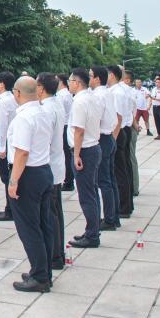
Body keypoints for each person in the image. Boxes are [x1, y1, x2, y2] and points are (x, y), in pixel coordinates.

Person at [6, 76, 56, 293]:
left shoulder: (24, 118)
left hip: (28, 174)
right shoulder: (44, 112)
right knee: (44, 225)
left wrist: (13, 181)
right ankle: (44, 271)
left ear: (17, 93)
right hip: (43, 170)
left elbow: (22, 152)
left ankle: (40, 277)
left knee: (29, 228)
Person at [67, 68, 105, 248]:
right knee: (92, 191)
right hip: (93, 147)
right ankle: (93, 230)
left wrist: (76, 155)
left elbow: (79, 131)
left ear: (77, 82)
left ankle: (92, 236)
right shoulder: (92, 97)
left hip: (85, 151)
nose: (69, 84)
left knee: (87, 195)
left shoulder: (80, 101)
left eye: (70, 81)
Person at [36, 74, 66, 269]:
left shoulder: (46, 109)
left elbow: (43, 140)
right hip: (56, 163)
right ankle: (57, 252)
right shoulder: (56, 104)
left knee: (50, 214)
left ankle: (55, 256)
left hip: (50, 164)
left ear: (41, 88)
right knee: (55, 211)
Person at [91, 66, 121, 231]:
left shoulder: (98, 95)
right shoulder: (108, 93)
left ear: (97, 79)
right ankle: (114, 216)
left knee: (104, 181)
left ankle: (109, 219)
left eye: (90, 75)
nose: (89, 78)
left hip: (102, 137)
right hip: (108, 136)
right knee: (110, 179)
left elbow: (96, 119)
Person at [107, 66, 134, 219]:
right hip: (122, 130)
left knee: (119, 172)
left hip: (118, 132)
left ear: (111, 75)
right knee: (123, 169)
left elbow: (118, 118)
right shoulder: (119, 90)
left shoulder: (117, 92)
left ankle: (124, 207)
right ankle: (126, 204)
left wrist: (113, 139)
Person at [0, 71, 18, 222]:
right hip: (11, 140)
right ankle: (11, 207)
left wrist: (2, 148)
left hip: (5, 141)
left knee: (6, 176)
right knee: (9, 175)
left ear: (2, 84)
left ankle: (11, 209)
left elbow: (2, 126)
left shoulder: (4, 101)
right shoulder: (13, 98)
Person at [122, 71, 141, 198]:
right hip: (130, 125)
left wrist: (135, 124)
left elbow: (129, 112)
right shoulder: (125, 92)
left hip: (129, 126)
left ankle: (134, 187)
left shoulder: (128, 92)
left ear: (128, 80)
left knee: (130, 158)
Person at [55, 74, 74, 191]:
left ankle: (68, 181)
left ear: (61, 82)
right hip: (66, 126)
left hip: (64, 126)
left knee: (66, 155)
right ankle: (68, 180)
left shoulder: (61, 96)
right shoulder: (66, 94)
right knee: (67, 155)